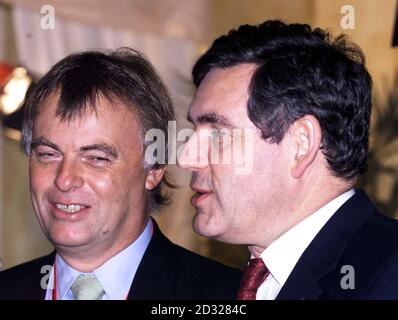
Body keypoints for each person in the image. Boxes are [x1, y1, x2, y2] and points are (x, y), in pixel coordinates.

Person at [177, 20, 398, 299]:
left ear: (301, 144)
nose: (186, 158)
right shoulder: (220, 286)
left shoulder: (388, 276)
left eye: (218, 134)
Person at [0, 48, 241, 300]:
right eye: (48, 154)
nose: (64, 179)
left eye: (95, 158)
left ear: (154, 168)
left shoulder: (229, 296)